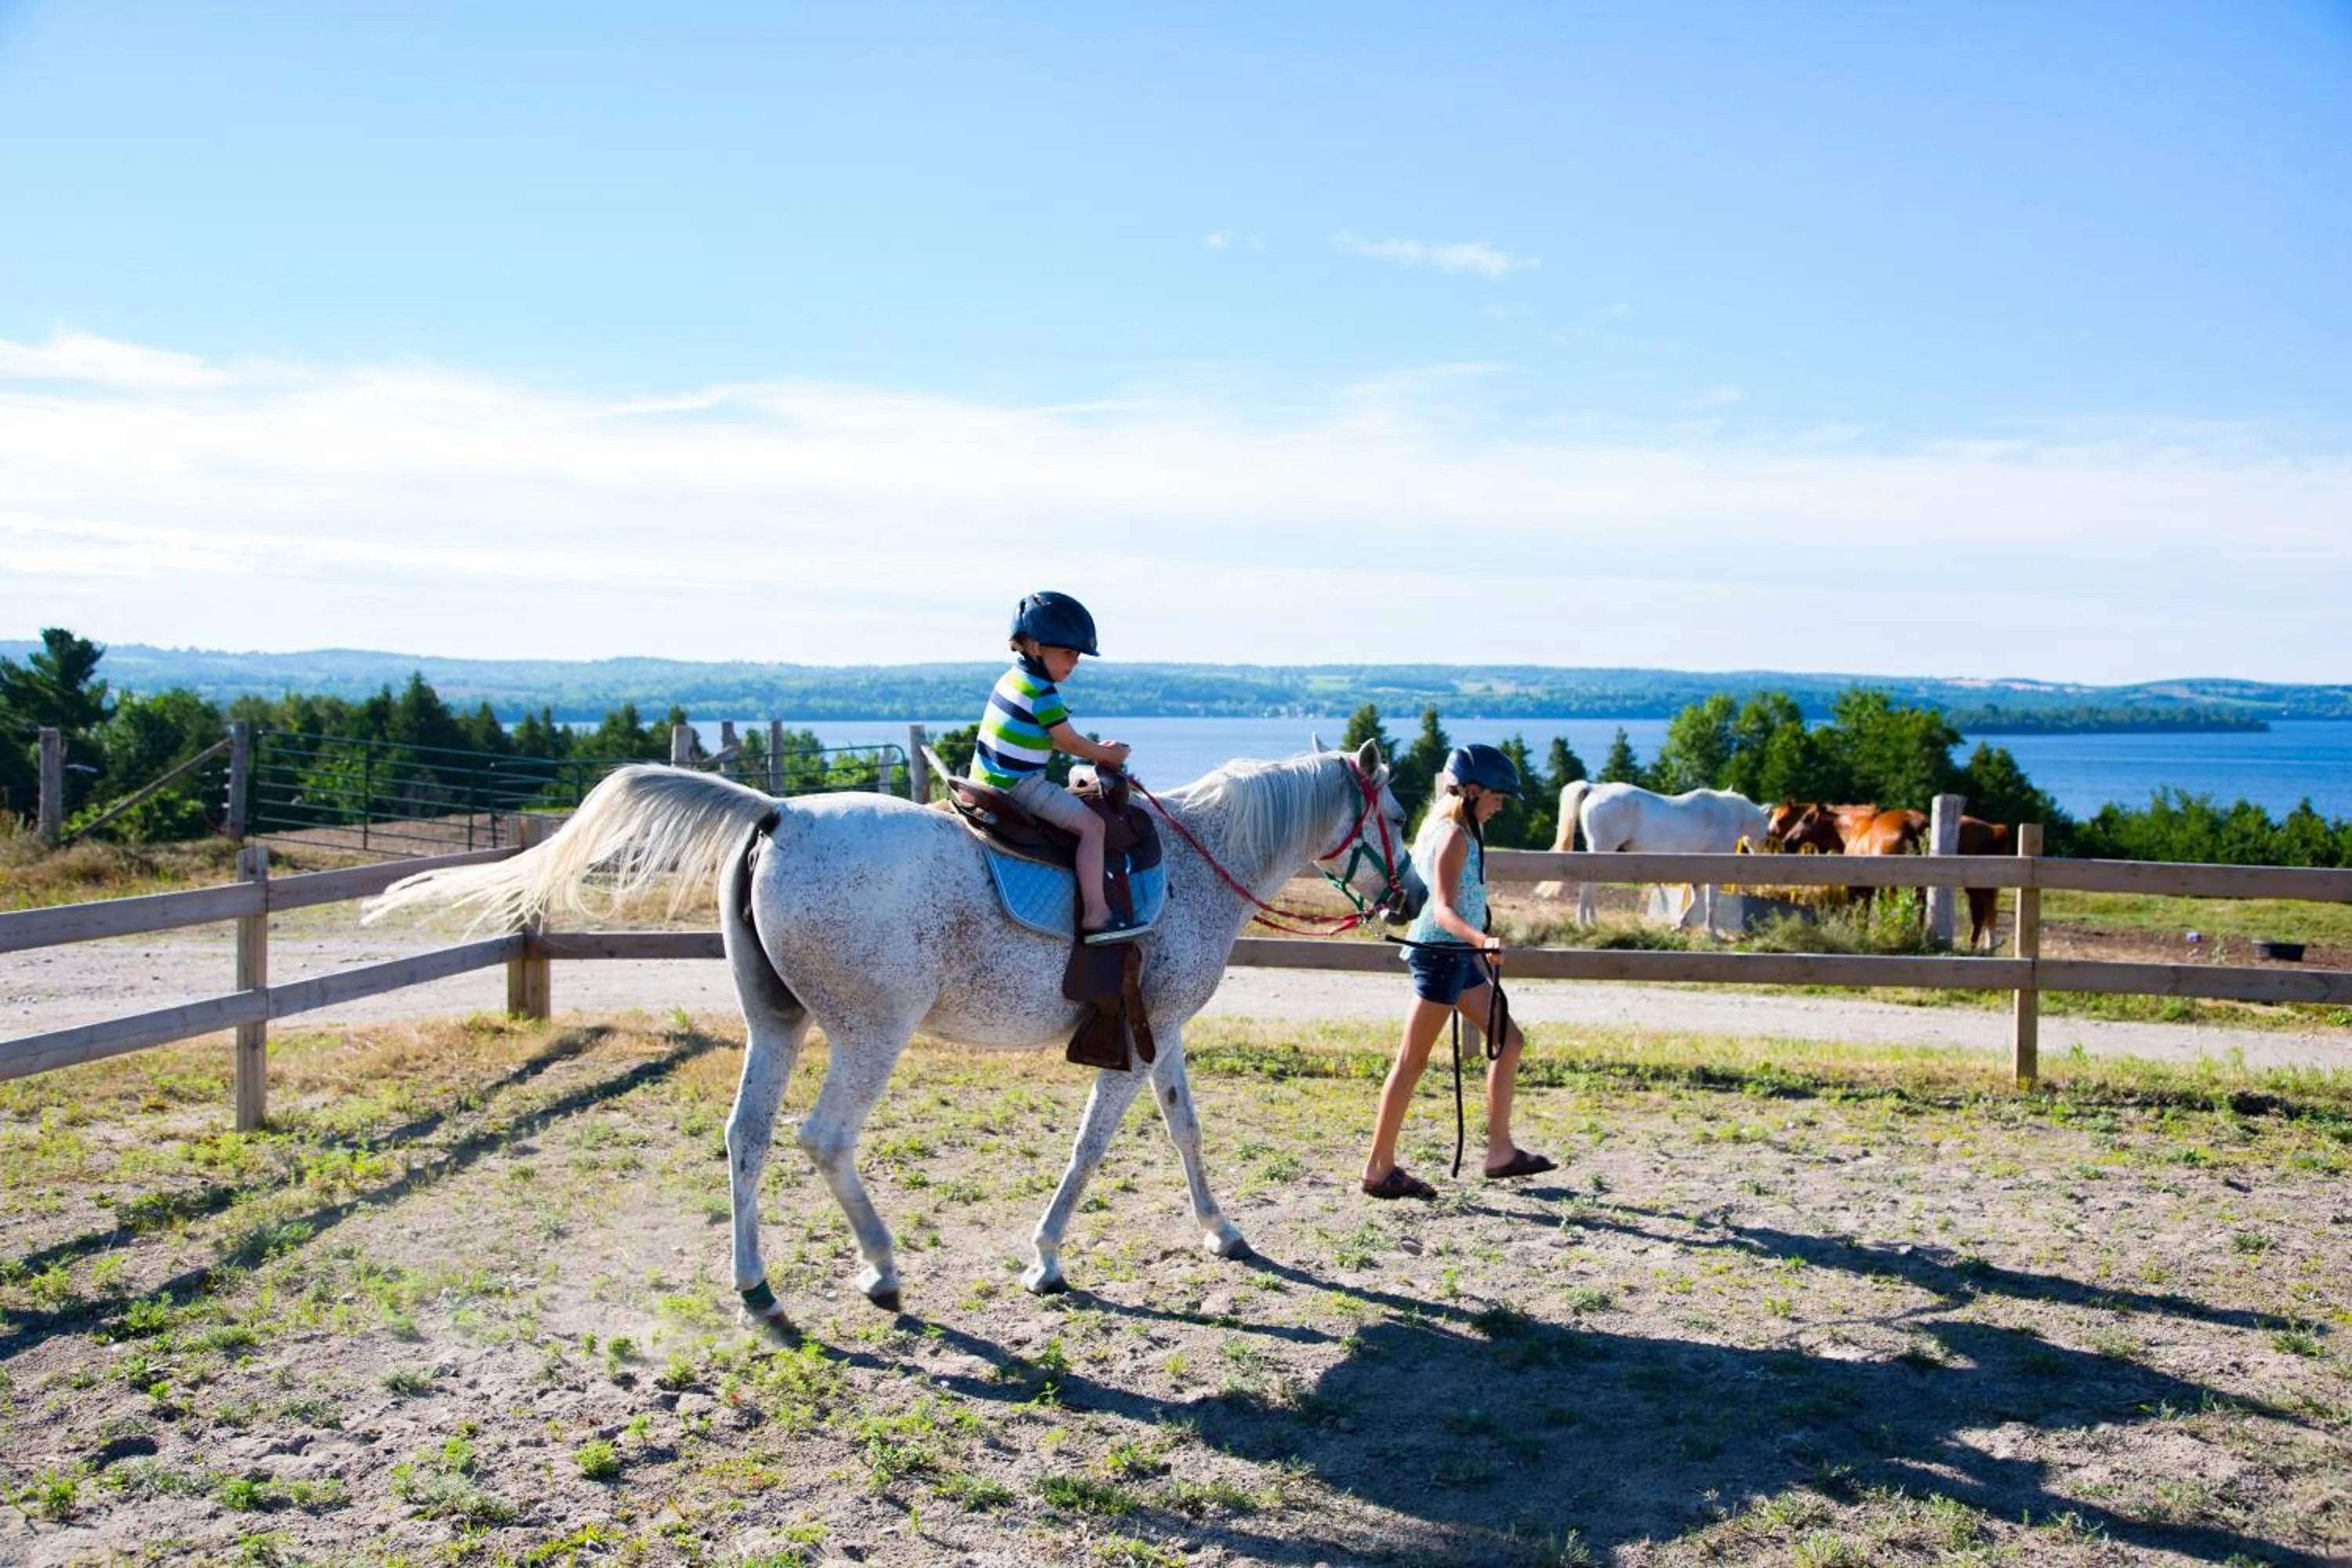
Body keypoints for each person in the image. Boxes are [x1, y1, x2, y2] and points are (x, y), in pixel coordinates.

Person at [1362, 742, 1557, 1197]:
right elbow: (1444, 909)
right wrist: (1481, 940)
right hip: (1441, 954)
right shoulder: (1451, 836)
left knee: (1508, 1041)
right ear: (1470, 791)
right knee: (1410, 1062)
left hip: (1457, 957)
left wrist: (1474, 942)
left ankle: (1500, 1152)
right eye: (1496, 797)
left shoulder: (1458, 830)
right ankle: (1377, 1168)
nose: (1500, 806)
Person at [973, 591, 1139, 942]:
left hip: (983, 777)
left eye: (1077, 655)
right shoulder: (1042, 691)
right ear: (1034, 646)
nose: (1074, 662)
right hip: (1019, 784)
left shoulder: (1011, 678)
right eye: (1067, 653)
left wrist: (1094, 751)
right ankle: (1097, 912)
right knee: (1093, 828)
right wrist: (1107, 756)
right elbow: (1070, 744)